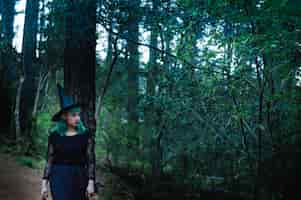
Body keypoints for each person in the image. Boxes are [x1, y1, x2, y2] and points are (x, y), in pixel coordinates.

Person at [40, 84, 96, 200]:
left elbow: (90, 161)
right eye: (73, 115)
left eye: (78, 114)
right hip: (58, 178)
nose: (78, 118)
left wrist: (91, 183)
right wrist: (44, 185)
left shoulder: (85, 136)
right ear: (65, 117)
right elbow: (49, 160)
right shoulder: (54, 136)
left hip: (79, 178)